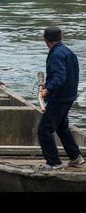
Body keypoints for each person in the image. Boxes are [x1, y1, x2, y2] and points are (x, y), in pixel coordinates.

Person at [37, 26, 85, 170]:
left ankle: (53, 162)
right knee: (62, 127)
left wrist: (47, 89)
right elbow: (66, 75)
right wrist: (48, 84)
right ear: (61, 38)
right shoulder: (67, 51)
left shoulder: (56, 54)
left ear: (45, 40)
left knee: (44, 130)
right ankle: (75, 156)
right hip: (69, 96)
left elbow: (59, 77)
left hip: (59, 98)